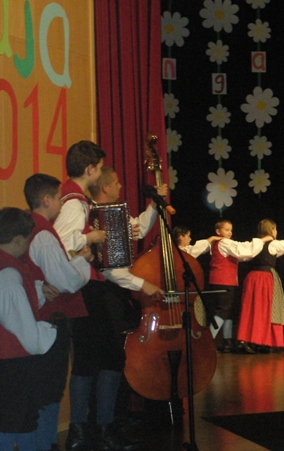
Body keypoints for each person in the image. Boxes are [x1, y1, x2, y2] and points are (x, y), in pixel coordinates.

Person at [55, 141, 162, 451]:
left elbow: (130, 234)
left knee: (99, 361)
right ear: (90, 170)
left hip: (94, 290)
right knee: (101, 361)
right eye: (101, 169)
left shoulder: (84, 204)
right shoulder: (75, 203)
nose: (107, 176)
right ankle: (93, 431)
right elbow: (60, 243)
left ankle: (94, 430)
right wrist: (88, 241)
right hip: (91, 291)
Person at [22, 174, 92, 451]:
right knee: (49, 389)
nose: (62, 203)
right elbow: (66, 281)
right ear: (46, 200)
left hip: (36, 320)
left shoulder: (29, 229)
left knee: (42, 389)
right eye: (59, 198)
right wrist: (82, 260)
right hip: (49, 321)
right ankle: (45, 444)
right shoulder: (43, 234)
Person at [0, 208, 64, 451]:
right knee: (16, 421)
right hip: (13, 362)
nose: (28, 247)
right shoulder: (8, 273)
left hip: (10, 361)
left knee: (17, 419)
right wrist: (50, 331)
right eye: (27, 241)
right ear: (18, 240)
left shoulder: (8, 268)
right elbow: (23, 328)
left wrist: (38, 291)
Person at [205, 219, 272, 352]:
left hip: (222, 281)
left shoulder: (221, 243)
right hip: (223, 281)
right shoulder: (224, 242)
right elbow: (242, 250)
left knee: (228, 312)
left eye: (230, 230)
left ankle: (227, 341)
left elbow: (242, 254)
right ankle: (207, 341)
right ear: (218, 231)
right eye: (226, 230)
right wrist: (262, 240)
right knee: (222, 311)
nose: (229, 232)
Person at [236, 220, 284, 353]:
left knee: (252, 309)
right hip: (264, 279)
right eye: (275, 229)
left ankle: (251, 340)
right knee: (265, 310)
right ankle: (261, 340)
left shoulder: (256, 243)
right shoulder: (273, 243)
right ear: (271, 230)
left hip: (253, 277)